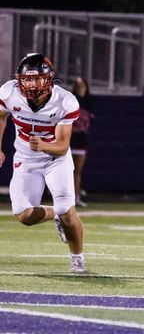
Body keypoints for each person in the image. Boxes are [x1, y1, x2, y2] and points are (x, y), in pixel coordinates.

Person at [0, 53, 86, 273]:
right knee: (24, 216)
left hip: (54, 159)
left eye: (37, 78)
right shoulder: (9, 92)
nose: (32, 84)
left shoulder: (65, 101)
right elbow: (1, 117)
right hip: (25, 159)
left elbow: (63, 146)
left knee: (67, 209)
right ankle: (53, 214)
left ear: (49, 79)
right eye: (27, 79)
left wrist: (44, 146)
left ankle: (77, 259)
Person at [70, 77, 93, 208]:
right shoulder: (71, 102)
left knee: (77, 171)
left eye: (83, 86)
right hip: (69, 141)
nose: (81, 89)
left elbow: (90, 123)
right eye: (78, 87)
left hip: (82, 140)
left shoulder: (88, 103)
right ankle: (66, 198)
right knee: (67, 170)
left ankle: (76, 197)